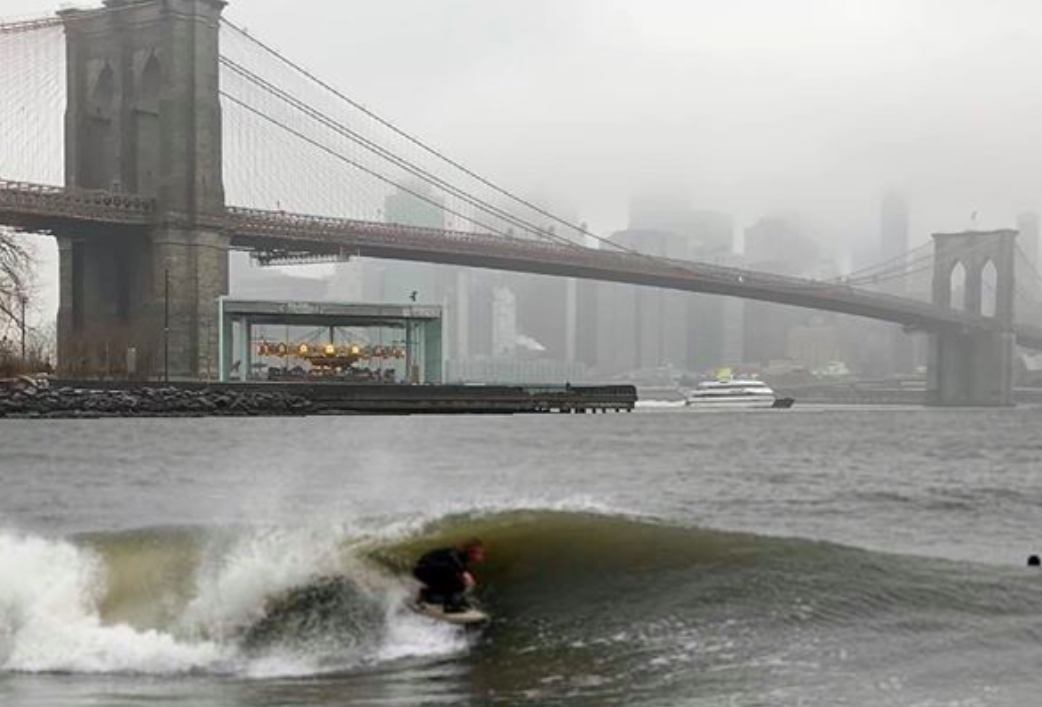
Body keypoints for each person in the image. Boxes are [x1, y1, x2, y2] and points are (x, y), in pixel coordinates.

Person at [413, 539, 486, 612]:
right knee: (454, 576)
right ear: (471, 553)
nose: (481, 557)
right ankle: (449, 606)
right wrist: (464, 572)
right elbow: (452, 561)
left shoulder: (462, 559)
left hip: (429, 571)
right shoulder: (453, 553)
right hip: (422, 570)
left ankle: (427, 595)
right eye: (480, 553)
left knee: (459, 581)